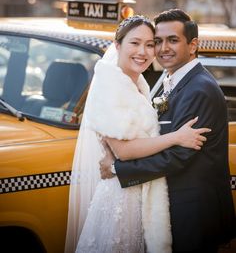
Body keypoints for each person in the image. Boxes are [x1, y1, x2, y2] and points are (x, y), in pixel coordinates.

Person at [65, 15, 209, 253]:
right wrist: (176, 137)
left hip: (142, 190)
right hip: (122, 196)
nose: (143, 51)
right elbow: (123, 149)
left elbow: (148, 128)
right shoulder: (108, 84)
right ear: (118, 45)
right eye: (135, 43)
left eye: (150, 44)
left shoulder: (139, 83)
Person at [100, 9, 236, 253]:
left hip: (193, 211)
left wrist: (117, 169)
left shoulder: (199, 89)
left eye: (172, 40)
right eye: (158, 41)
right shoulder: (172, 80)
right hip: (173, 206)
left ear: (192, 45)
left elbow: (179, 155)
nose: (163, 48)